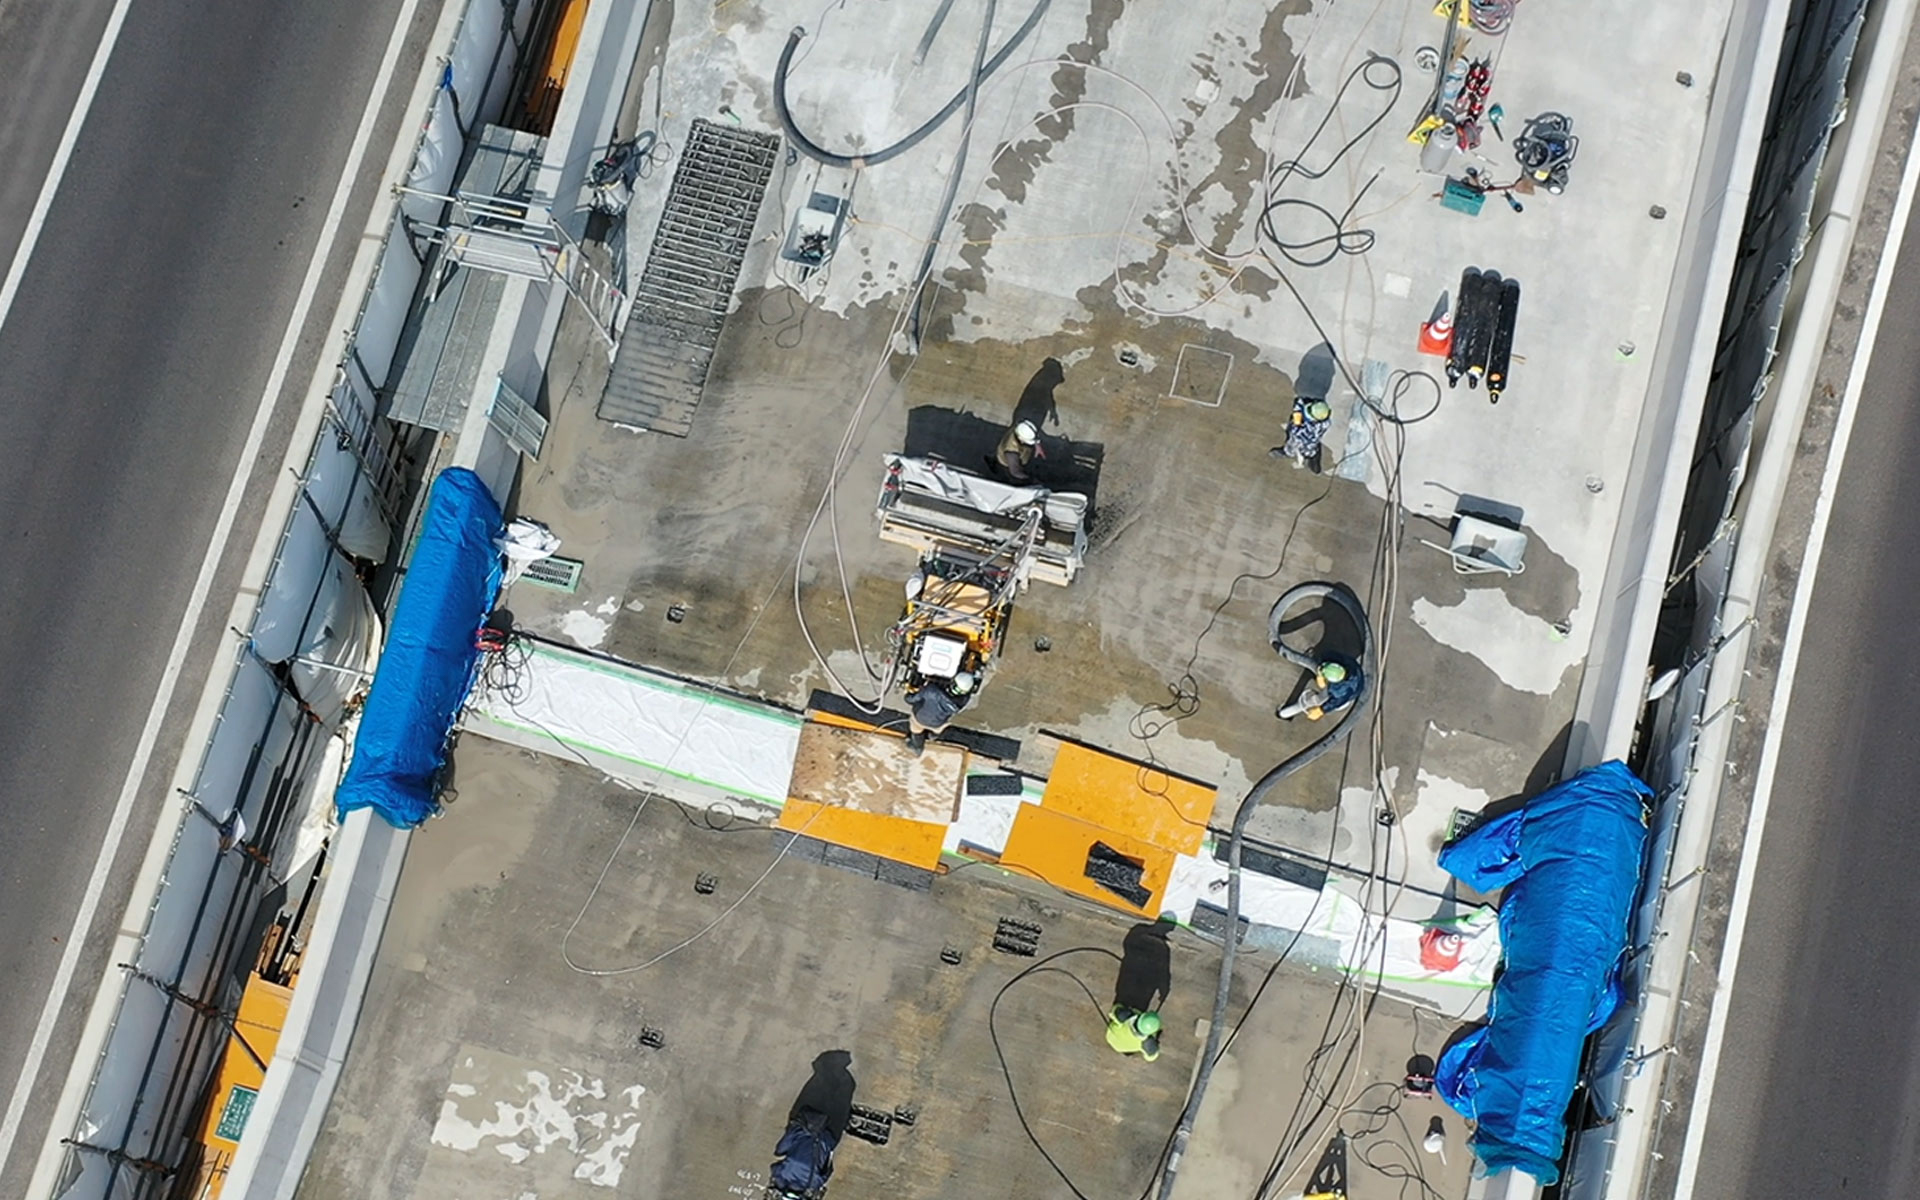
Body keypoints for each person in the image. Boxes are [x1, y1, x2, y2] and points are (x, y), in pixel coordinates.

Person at [905, 671, 975, 753]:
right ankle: (932, 736)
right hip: (938, 723)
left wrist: (907, 695)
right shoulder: (961, 702)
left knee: (916, 728)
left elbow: (910, 699)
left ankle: (917, 746)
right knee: (937, 729)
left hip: (920, 718)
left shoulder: (931, 690)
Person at [1278, 655, 1363, 721]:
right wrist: (1320, 674)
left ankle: (1285, 713)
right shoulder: (1346, 662)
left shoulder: (1339, 692)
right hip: (1352, 681)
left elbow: (1333, 703)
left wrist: (1321, 710)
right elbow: (1326, 655)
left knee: (1318, 700)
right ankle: (1283, 714)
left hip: (1345, 697)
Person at [1274, 398, 1333, 472]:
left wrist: (1297, 415)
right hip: (1313, 442)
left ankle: (1287, 452)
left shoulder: (1305, 430)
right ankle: (1314, 461)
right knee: (1312, 450)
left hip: (1302, 440)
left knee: (1293, 446)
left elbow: (1295, 431)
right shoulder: (1326, 423)